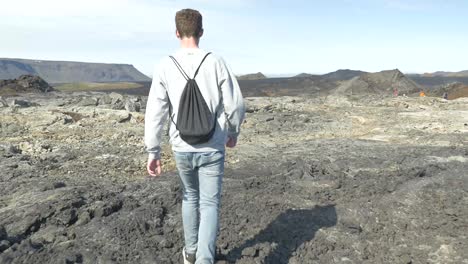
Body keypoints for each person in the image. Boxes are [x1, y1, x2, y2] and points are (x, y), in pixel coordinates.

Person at [144, 8, 245, 264]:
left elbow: (156, 111)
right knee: (209, 204)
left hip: (181, 147)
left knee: (189, 197)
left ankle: (190, 253)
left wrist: (153, 151)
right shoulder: (216, 61)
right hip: (212, 146)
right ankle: (204, 260)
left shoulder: (165, 64)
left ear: (177, 32)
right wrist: (232, 132)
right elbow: (236, 105)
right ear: (201, 32)